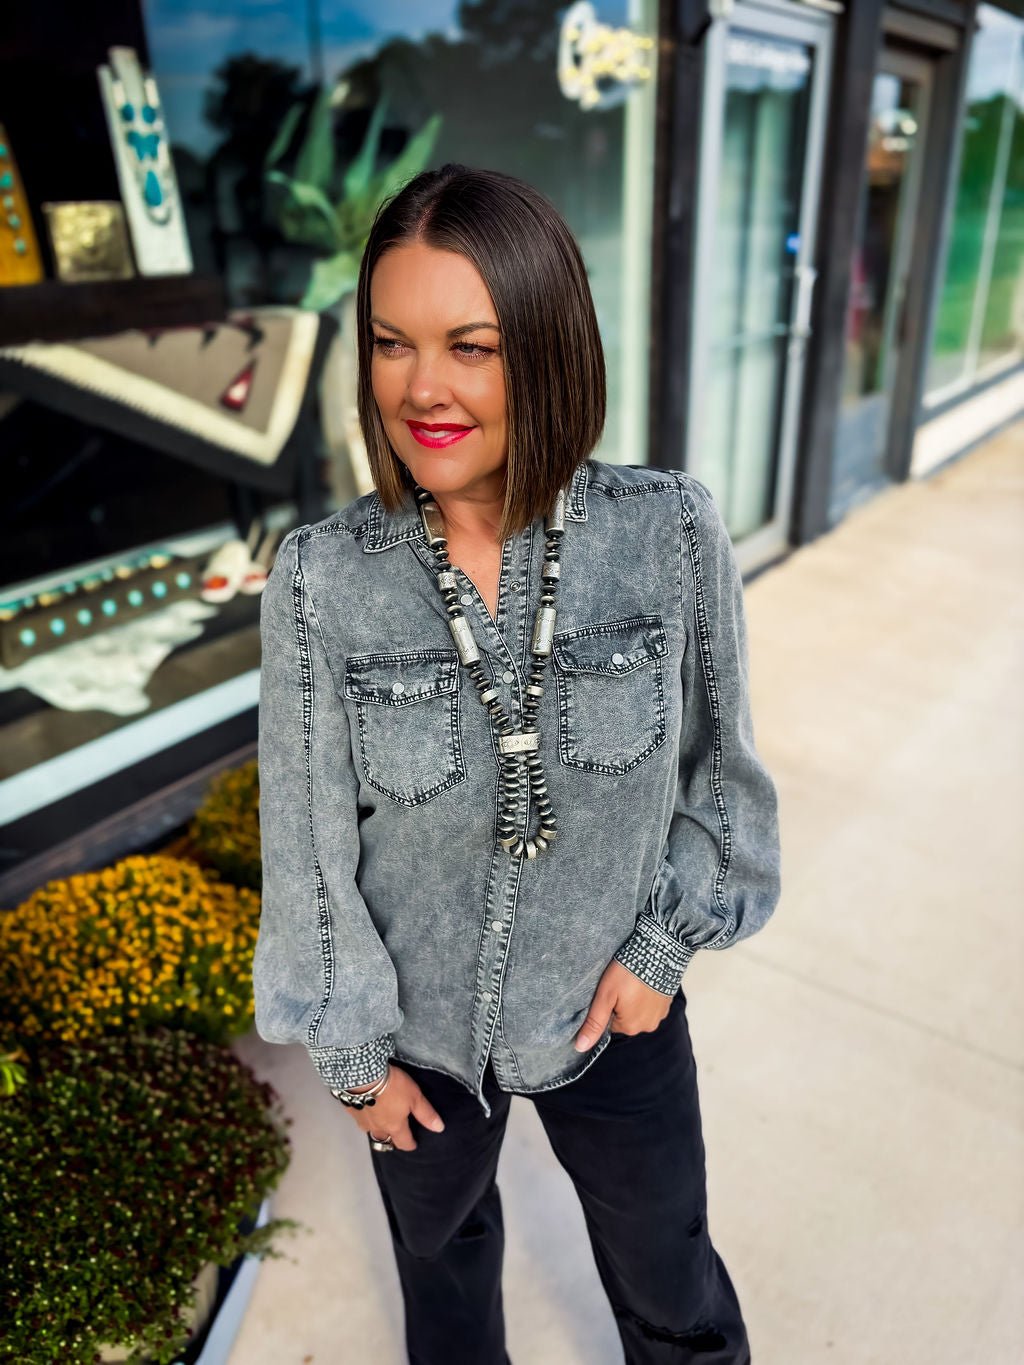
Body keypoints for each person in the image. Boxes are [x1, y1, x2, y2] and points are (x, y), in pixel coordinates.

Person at [253, 164, 782, 1365]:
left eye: (471, 347)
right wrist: (352, 1055)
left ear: (547, 349)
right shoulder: (323, 577)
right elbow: (308, 840)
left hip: (614, 1010)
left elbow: (722, 776)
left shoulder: (667, 532)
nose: (420, 388)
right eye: (391, 343)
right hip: (417, 1037)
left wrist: (662, 951)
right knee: (445, 1295)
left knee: (673, 1286)